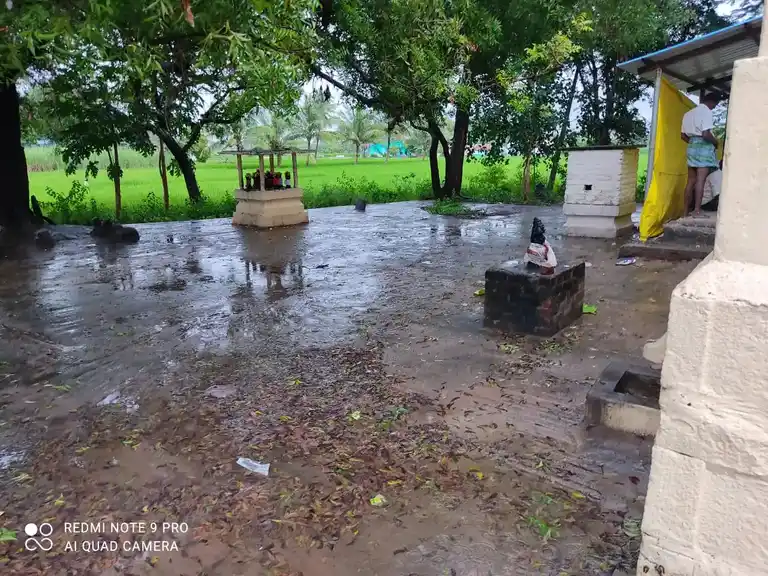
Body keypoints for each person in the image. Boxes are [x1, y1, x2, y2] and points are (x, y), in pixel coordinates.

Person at [681, 93, 721, 217]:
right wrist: (716, 143)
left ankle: (685, 212)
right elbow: (705, 134)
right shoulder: (707, 112)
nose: (713, 108)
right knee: (700, 180)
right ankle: (697, 210)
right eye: (714, 105)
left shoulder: (688, 114)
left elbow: (683, 136)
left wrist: (694, 144)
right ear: (712, 102)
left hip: (691, 145)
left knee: (690, 181)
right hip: (704, 147)